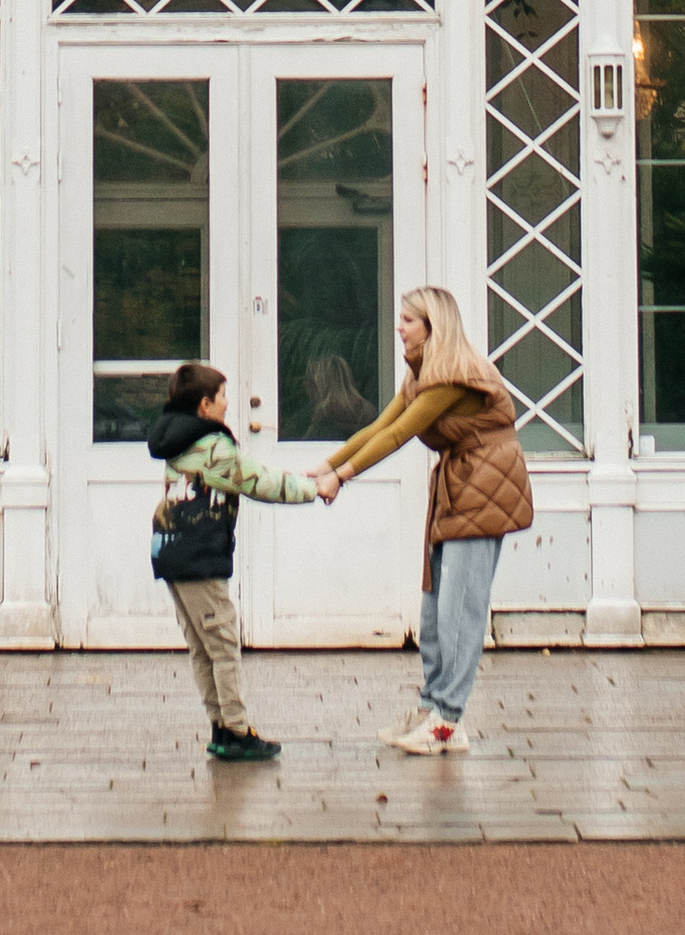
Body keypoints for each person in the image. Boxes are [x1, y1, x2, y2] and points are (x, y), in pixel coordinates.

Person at [315, 284, 532, 754]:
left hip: (485, 486)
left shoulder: (455, 374)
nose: (399, 326)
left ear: (434, 326)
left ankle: (448, 720)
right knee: (435, 609)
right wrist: (328, 465)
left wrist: (343, 476)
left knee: (461, 610)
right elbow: (379, 425)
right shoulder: (422, 374)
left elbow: (399, 435)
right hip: (458, 484)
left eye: (409, 319)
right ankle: (435, 704)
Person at [145, 359, 336, 764]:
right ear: (204, 405)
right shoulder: (214, 446)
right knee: (224, 645)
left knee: (202, 646)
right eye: (223, 396)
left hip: (171, 552)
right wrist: (313, 488)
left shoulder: (176, 439)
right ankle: (235, 729)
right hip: (200, 556)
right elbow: (258, 482)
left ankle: (219, 725)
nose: (228, 403)